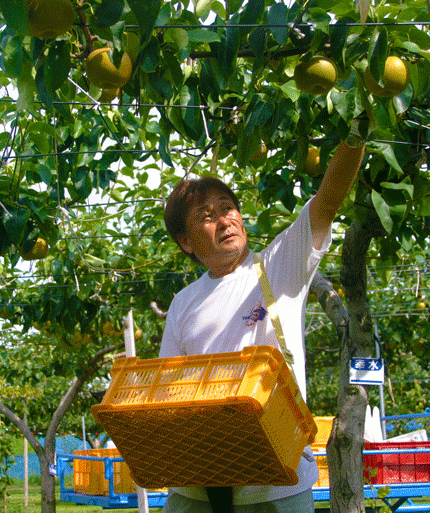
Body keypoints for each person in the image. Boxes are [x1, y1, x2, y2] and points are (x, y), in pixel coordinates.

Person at [160, 139, 366, 513]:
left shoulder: (278, 266)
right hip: (197, 489)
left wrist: (357, 130)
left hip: (275, 487)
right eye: (207, 216)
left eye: (227, 208)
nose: (224, 220)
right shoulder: (183, 302)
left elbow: (328, 200)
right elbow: (171, 392)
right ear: (186, 242)